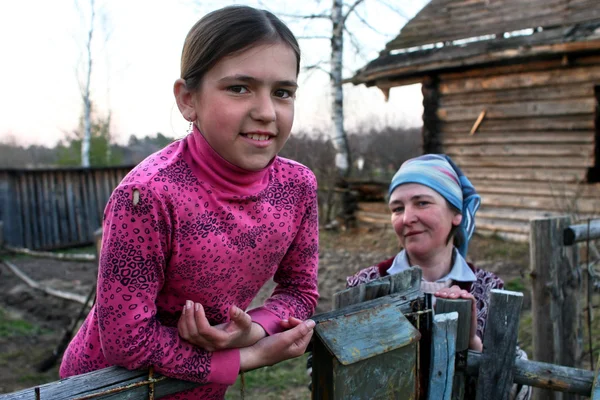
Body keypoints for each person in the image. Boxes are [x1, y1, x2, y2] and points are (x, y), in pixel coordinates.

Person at [60, 6, 319, 399]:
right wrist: (248, 357)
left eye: (282, 92)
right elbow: (126, 340)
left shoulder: (297, 187)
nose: (266, 111)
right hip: (110, 388)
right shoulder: (147, 196)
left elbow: (300, 289)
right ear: (187, 99)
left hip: (200, 392)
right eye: (239, 87)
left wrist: (255, 327)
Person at [316, 154, 531, 399]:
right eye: (398, 208)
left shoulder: (488, 289)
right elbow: (322, 375)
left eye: (422, 203)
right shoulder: (365, 285)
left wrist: (473, 345)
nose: (407, 218)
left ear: (456, 214)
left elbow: (517, 389)